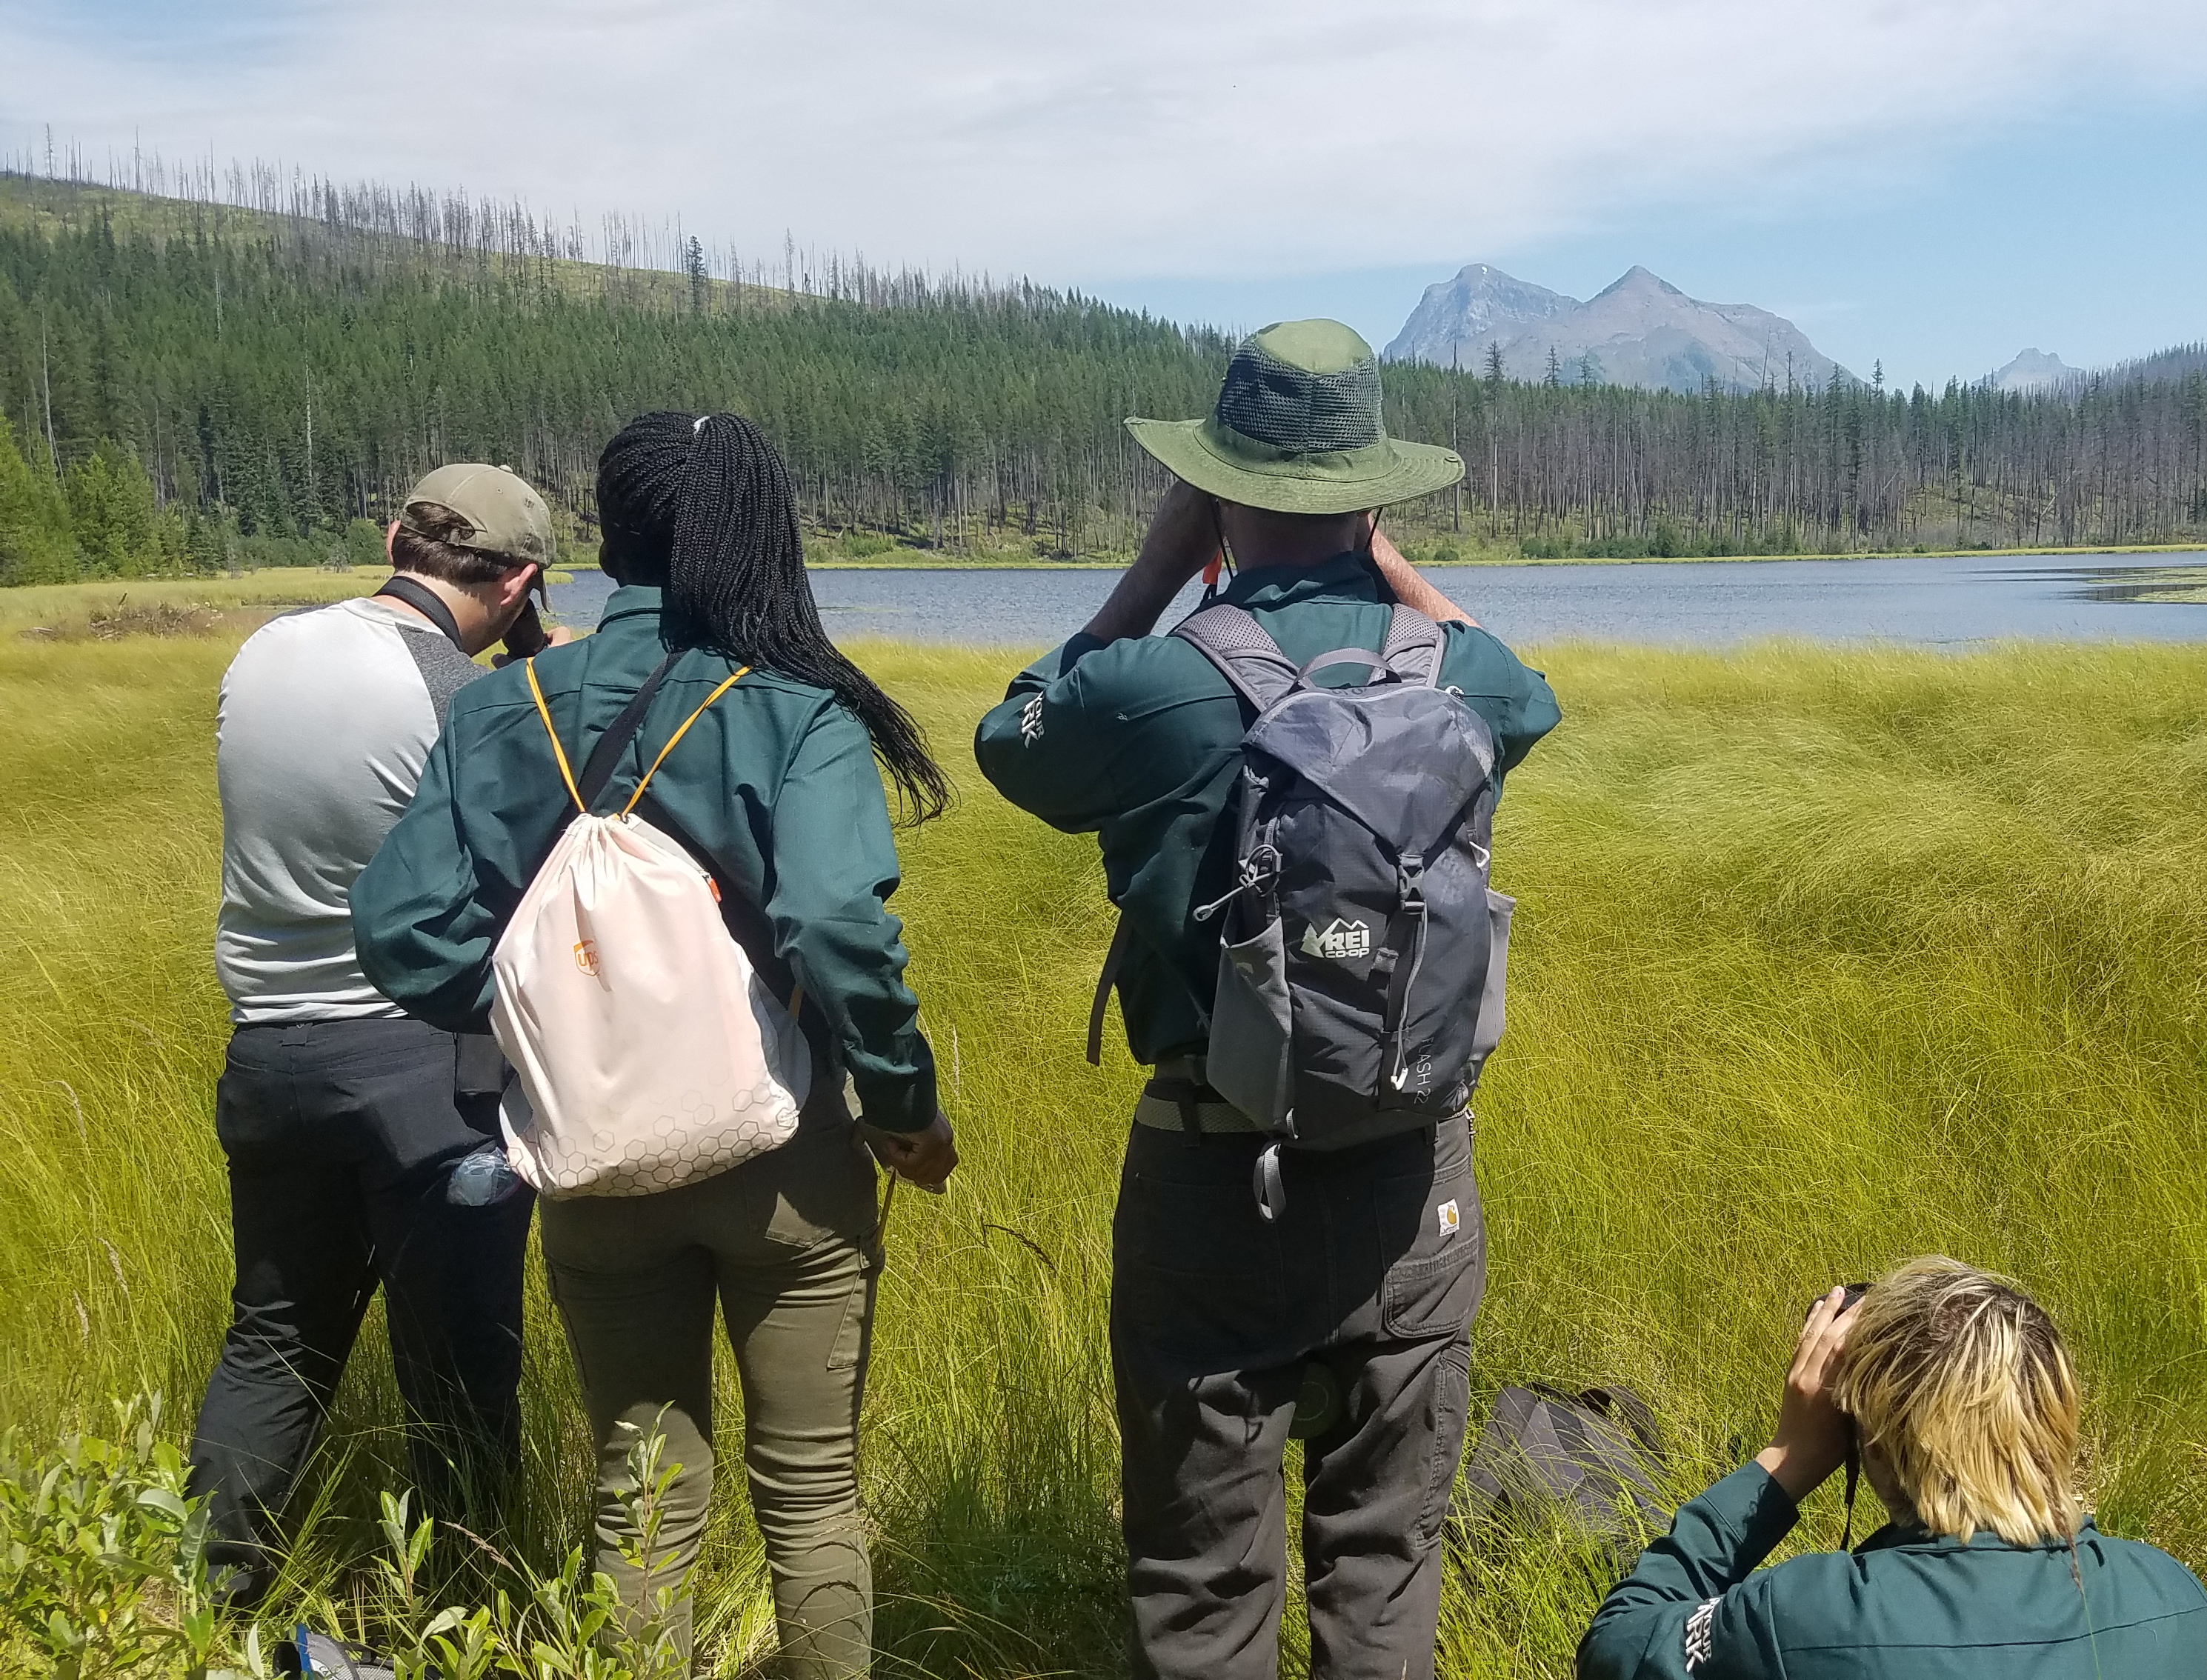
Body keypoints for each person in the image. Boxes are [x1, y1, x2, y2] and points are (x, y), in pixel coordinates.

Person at [977, 319, 1559, 1680]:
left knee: (1199, 1580)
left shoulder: (1157, 683)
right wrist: (1384, 563)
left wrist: (1157, 569)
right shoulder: (1459, 677)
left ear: (1217, 489)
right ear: (1373, 488)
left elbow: (1012, 737)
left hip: (1209, 1172)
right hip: (1416, 1170)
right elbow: (1527, 694)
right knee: (1384, 1555)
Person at [353, 412, 960, 1680]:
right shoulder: (797, 704)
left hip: (594, 1163)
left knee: (639, 1498)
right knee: (808, 1490)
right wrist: (903, 1102)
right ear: (753, 534)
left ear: (611, 536)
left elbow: (403, 931)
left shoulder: (497, 707)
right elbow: (838, 922)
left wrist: (547, 1018)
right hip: (788, 1159)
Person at [190, 464, 564, 1604]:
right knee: (457, 1368)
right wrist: (539, 673)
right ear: (522, 584)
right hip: (422, 1068)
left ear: (393, 537)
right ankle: (465, 1613)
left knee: (276, 1339)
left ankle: (198, 1606)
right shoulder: (462, 692)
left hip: (269, 1050)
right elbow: (540, 859)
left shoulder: (264, 651)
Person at [1580, 1259, 2207, 1679]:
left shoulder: (1808, 1618)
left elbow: (1616, 1647)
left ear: (1880, 1444)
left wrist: (1787, 1459)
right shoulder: (2177, 1602)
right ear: (2052, 1415)